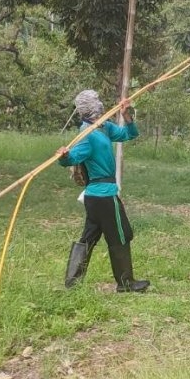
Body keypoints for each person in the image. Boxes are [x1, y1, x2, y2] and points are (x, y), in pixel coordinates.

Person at [57, 89, 150, 293]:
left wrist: (126, 116)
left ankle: (72, 283)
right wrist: (63, 156)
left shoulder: (104, 127)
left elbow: (129, 134)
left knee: (89, 237)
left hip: (96, 197)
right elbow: (72, 158)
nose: (101, 103)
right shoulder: (87, 134)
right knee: (121, 235)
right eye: (96, 100)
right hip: (104, 196)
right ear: (88, 107)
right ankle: (126, 283)